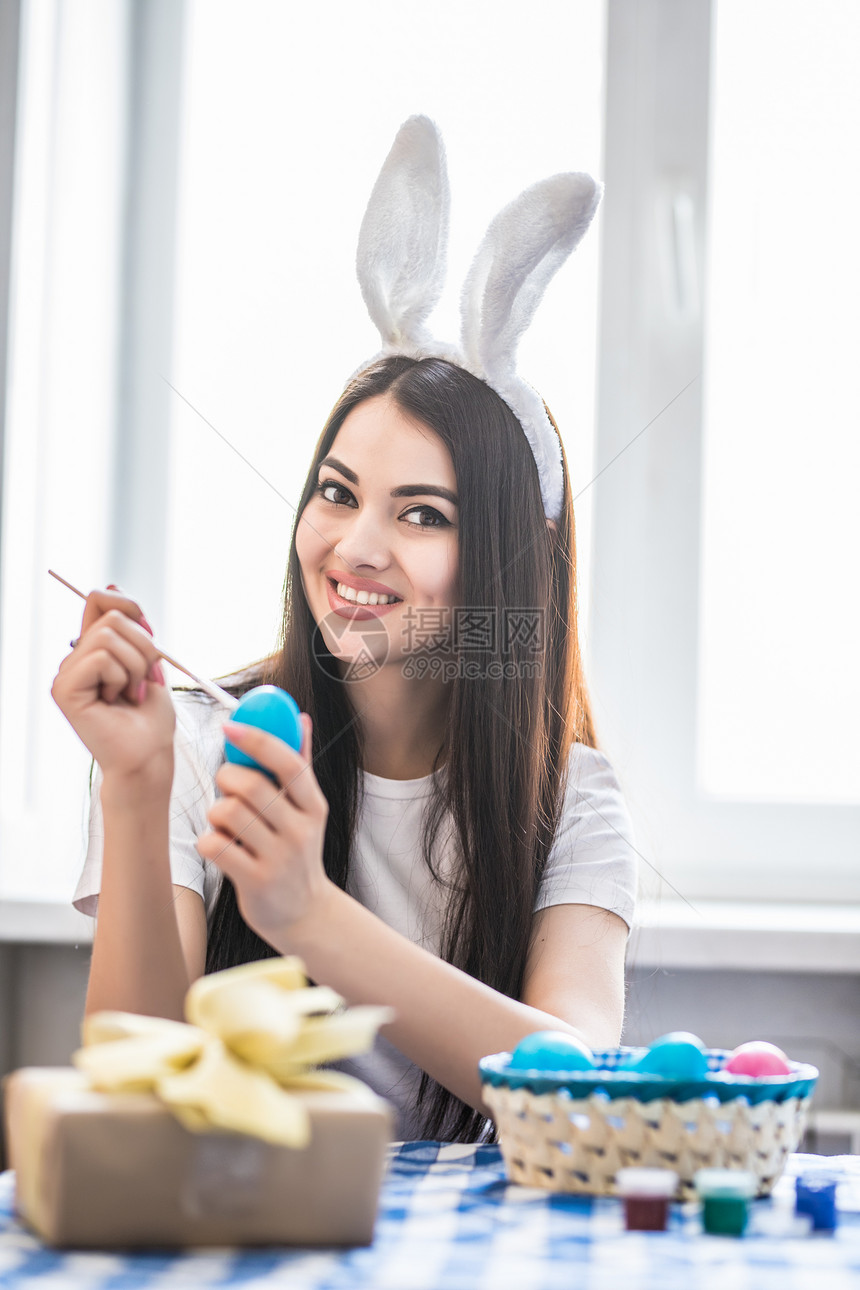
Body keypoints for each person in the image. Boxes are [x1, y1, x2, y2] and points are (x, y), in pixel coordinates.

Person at [51, 119, 637, 1142]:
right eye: (336, 493)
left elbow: (577, 1091)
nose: (353, 546)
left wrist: (308, 912)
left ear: (506, 557)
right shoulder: (192, 744)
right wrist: (137, 790)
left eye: (421, 514)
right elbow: (126, 1101)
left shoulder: (570, 800)